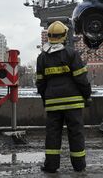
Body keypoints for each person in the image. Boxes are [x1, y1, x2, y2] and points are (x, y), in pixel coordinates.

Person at [36, 21, 92, 173]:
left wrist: (45, 100)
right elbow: (81, 79)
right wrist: (87, 96)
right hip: (73, 103)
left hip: (53, 103)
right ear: (64, 36)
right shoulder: (71, 54)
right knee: (76, 133)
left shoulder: (42, 57)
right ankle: (79, 166)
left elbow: (40, 83)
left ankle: (51, 166)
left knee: (53, 134)